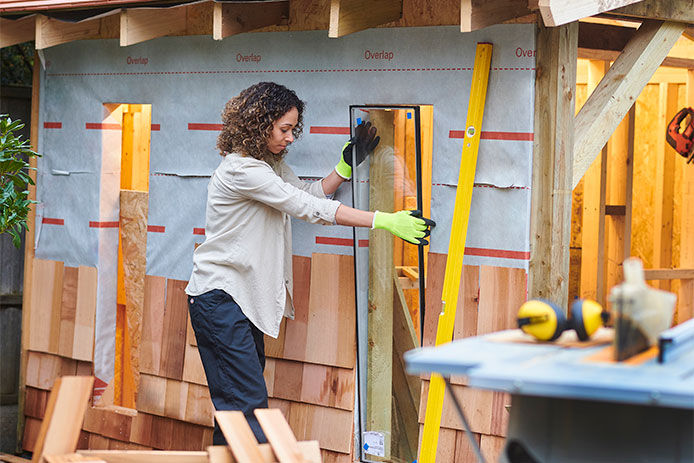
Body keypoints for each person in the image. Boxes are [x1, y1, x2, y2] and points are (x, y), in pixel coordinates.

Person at [185, 82, 435, 444]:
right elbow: (307, 208)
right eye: (284, 129)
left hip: (234, 302)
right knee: (248, 410)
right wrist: (383, 220)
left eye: (292, 130)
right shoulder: (241, 170)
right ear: (261, 123)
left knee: (238, 412)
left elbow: (304, 194)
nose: (289, 138)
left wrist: (344, 167)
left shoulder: (267, 164)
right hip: (221, 301)